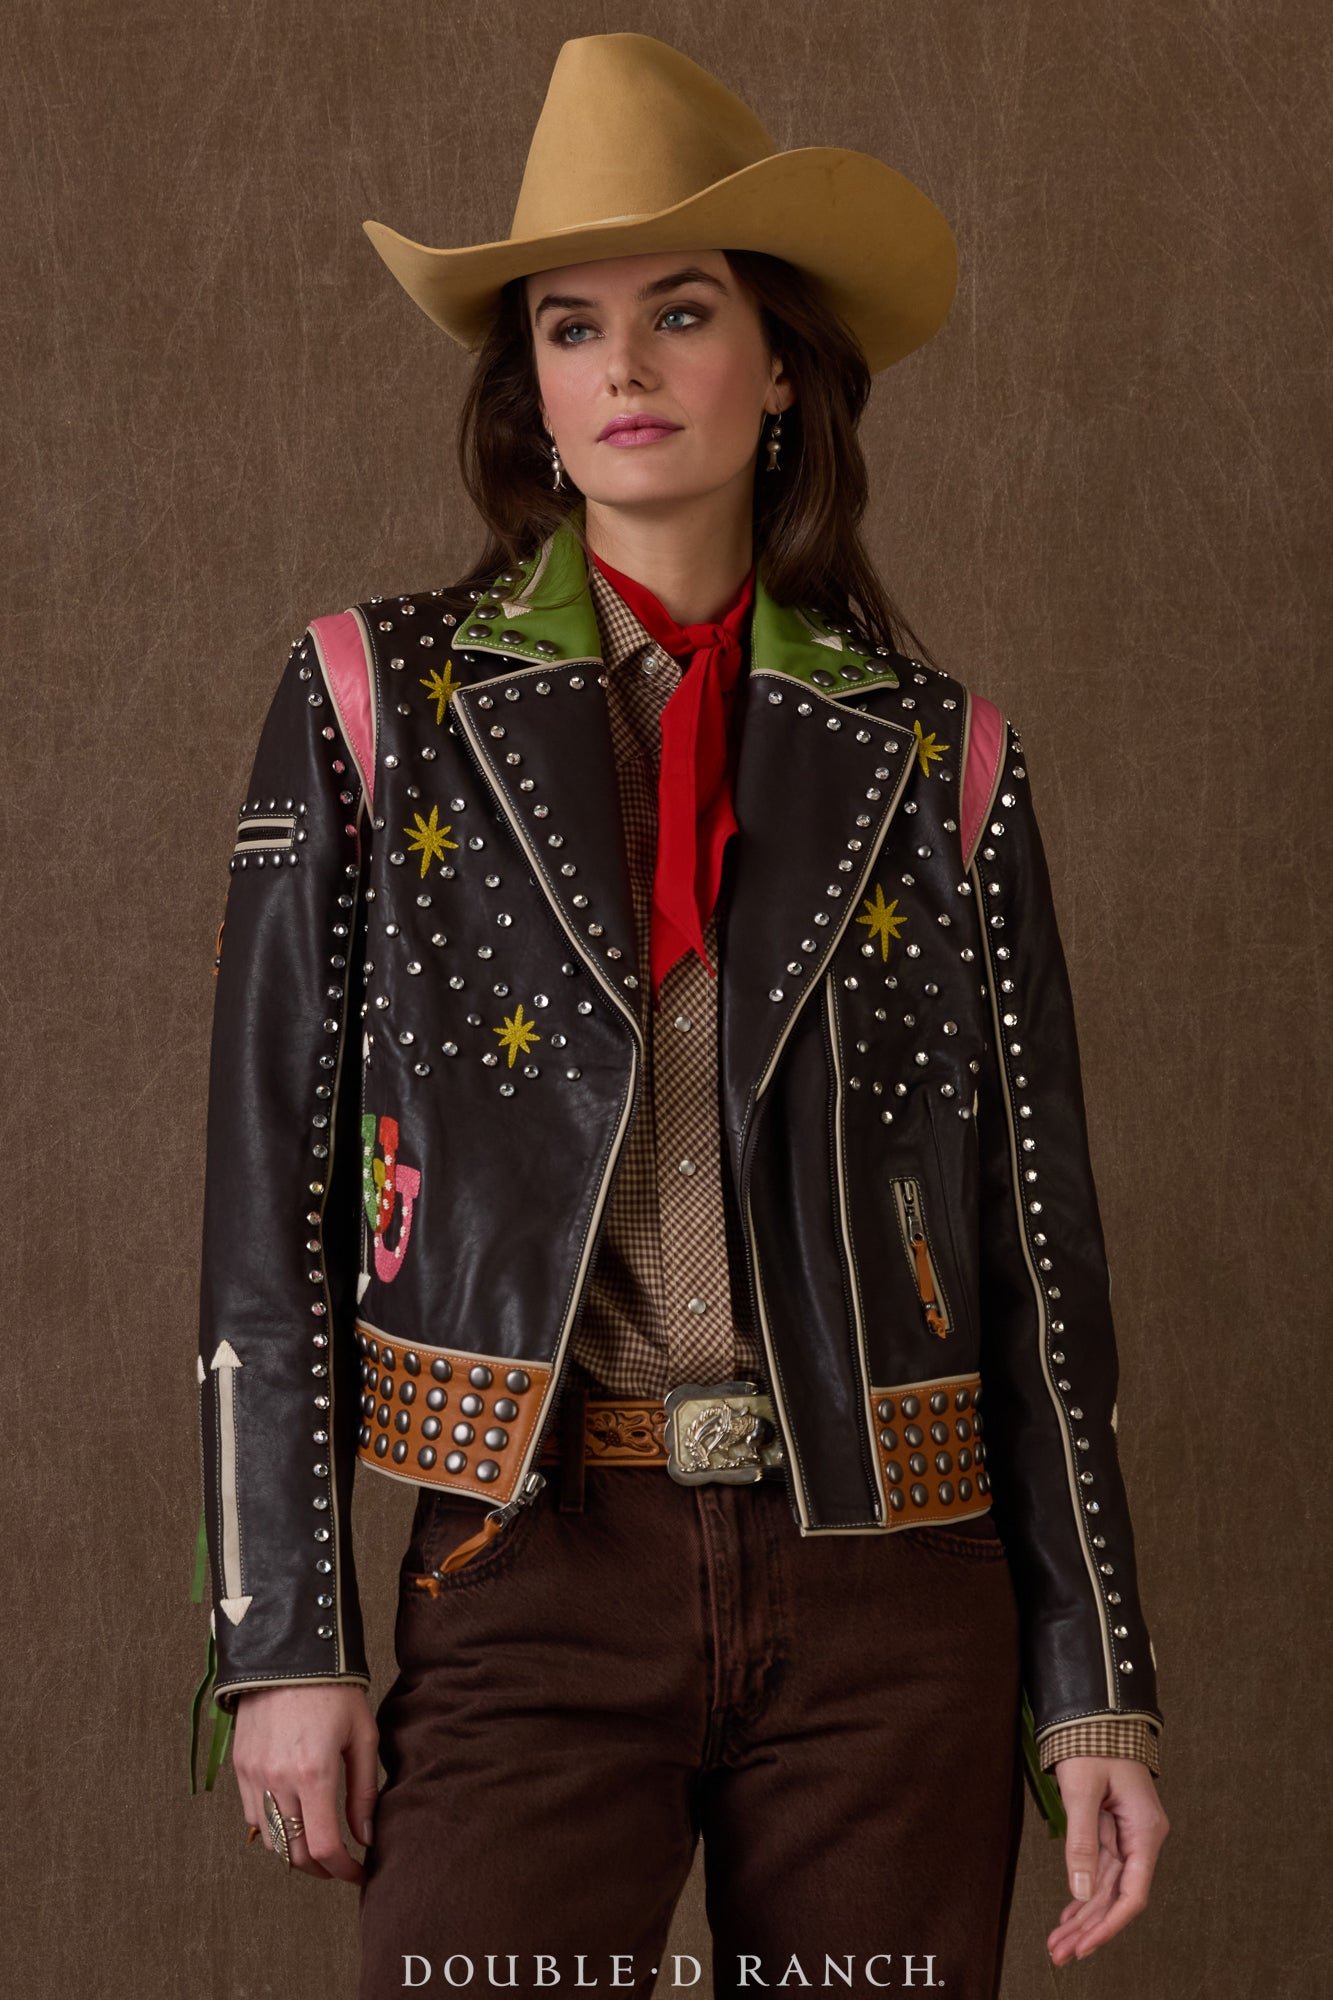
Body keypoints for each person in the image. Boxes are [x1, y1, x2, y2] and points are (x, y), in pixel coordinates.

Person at [195, 31, 1169, 1997]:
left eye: (681, 312)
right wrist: (282, 1638)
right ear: (532, 390)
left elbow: (1034, 1265)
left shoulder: (939, 760)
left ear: (783, 364)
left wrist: (1095, 1692)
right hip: (531, 1561)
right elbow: (265, 1203)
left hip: (894, 1581)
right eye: (571, 327)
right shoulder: (376, 706)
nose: (623, 366)